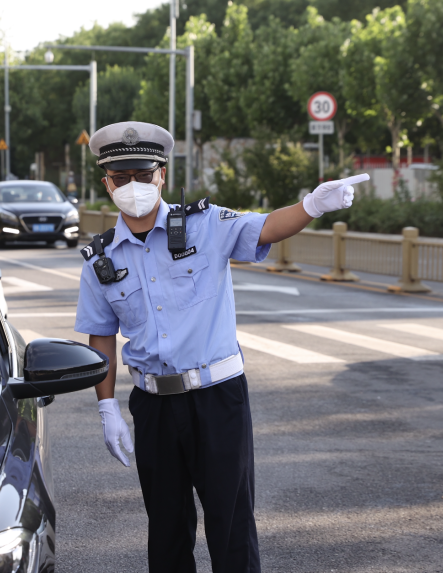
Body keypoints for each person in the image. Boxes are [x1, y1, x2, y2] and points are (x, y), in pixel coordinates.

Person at [74, 121, 367, 573]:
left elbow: (265, 228)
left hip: (218, 400)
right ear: (106, 182)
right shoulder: (103, 259)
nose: (133, 186)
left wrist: (311, 205)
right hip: (153, 406)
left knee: (231, 529)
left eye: (143, 175)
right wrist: (106, 407)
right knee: (167, 534)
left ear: (162, 175)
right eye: (121, 178)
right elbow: (101, 335)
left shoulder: (205, 224)